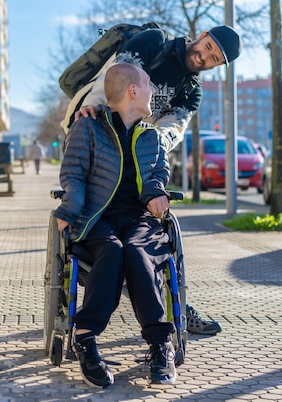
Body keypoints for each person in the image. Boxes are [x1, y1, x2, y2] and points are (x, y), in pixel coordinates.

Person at [67, 24, 242, 336]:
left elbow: (172, 128)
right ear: (201, 35)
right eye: (208, 48)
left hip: (137, 149)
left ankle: (169, 303)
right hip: (97, 124)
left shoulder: (192, 91)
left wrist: (149, 147)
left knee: (138, 237)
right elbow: (118, 77)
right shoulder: (154, 42)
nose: (206, 58)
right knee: (106, 230)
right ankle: (148, 304)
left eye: (214, 59)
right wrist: (96, 108)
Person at [54, 61, 176, 388]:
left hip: (138, 218)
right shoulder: (88, 126)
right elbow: (74, 174)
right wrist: (70, 208)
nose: (153, 90)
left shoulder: (152, 135)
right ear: (133, 90)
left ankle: (159, 345)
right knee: (112, 250)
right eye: (149, 84)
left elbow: (159, 174)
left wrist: (155, 192)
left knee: (137, 251)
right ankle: (86, 338)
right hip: (97, 216)